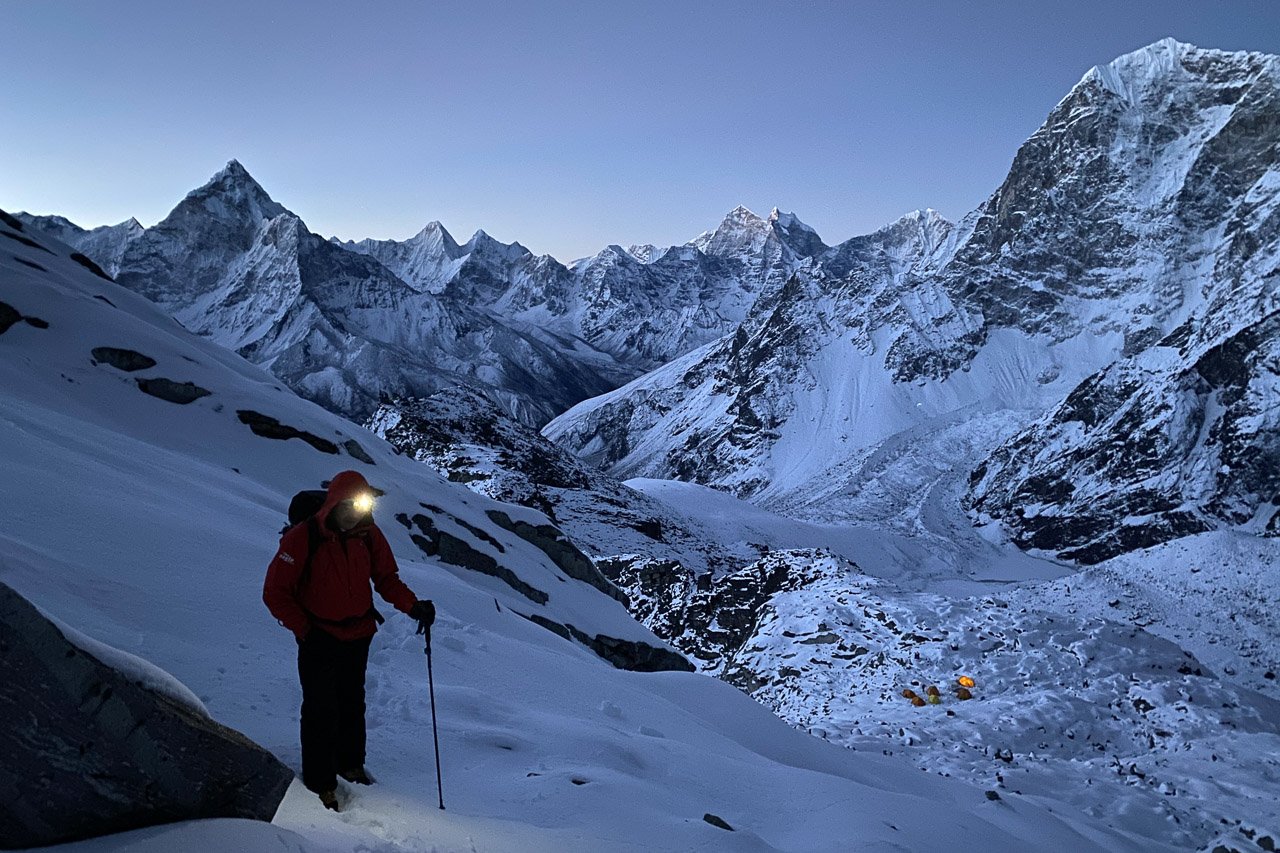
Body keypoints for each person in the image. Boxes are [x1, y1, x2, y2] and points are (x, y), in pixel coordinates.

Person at [263, 470, 435, 811]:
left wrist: (413, 606)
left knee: (351, 703)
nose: (357, 513)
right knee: (320, 709)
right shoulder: (303, 537)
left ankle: (350, 764)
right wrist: (305, 630)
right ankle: (320, 781)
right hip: (319, 636)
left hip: (357, 634)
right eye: (351, 505)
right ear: (335, 503)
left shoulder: (368, 535)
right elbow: (275, 593)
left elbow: (386, 578)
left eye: (363, 506)